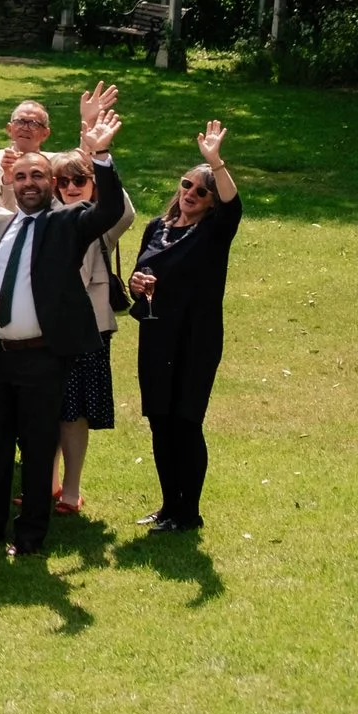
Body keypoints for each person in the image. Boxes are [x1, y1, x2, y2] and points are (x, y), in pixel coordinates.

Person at [0, 97, 127, 559]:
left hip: (43, 358)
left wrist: (99, 157)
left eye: (37, 175)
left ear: (52, 182)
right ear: (10, 181)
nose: (29, 182)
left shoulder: (68, 222)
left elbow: (110, 211)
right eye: (20, 176)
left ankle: (31, 536)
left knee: (39, 451)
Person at [128, 121, 241, 534]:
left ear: (211, 202)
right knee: (160, 420)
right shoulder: (155, 228)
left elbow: (234, 205)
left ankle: (189, 513)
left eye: (200, 191)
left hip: (195, 338)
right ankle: (167, 505)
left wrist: (216, 162)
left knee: (185, 422)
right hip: (156, 336)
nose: (190, 193)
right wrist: (136, 283)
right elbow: (139, 276)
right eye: (186, 184)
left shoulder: (214, 230)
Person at [52, 150, 134, 515]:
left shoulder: (105, 222)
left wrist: (99, 158)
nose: (70, 187)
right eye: (63, 181)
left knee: (75, 412)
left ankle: (71, 490)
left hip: (90, 330)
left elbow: (126, 211)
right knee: (50, 408)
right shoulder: (47, 219)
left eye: (79, 180)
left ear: (93, 186)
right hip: (49, 328)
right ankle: (48, 483)